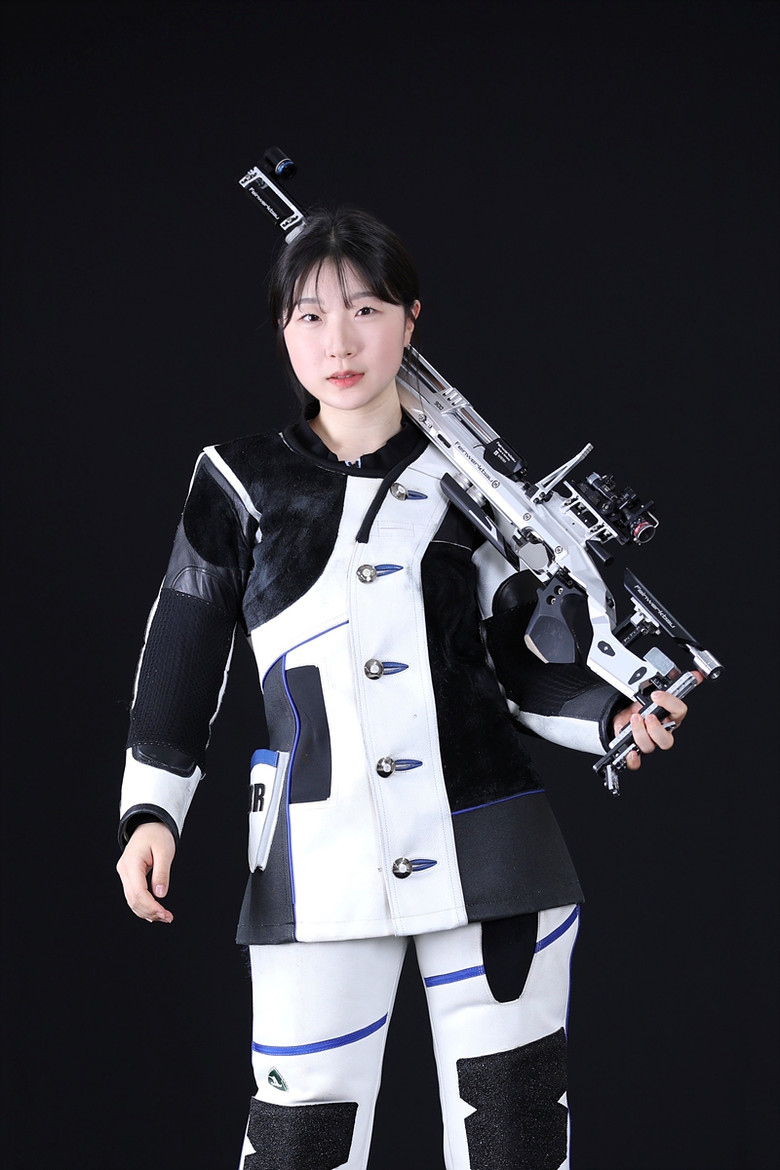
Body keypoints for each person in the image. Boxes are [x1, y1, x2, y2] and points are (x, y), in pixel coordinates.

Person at [116, 207, 695, 1170]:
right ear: (282, 330)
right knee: (300, 1139)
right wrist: (151, 812)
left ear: (410, 318)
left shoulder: (478, 491)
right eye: (310, 315)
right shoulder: (238, 482)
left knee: (513, 1133)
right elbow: (182, 650)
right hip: (315, 861)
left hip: (495, 853)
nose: (339, 343)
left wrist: (618, 718)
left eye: (367, 309)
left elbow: (518, 664)